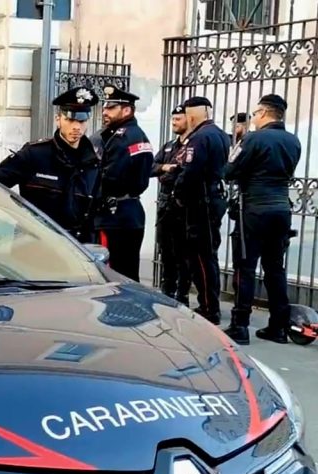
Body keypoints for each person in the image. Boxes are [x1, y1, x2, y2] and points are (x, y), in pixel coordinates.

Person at [222, 94, 302, 344]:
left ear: (265, 113)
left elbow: (229, 171)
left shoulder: (253, 139)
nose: (254, 118)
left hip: (255, 208)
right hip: (281, 208)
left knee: (245, 268)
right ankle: (278, 326)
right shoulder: (293, 141)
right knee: (275, 268)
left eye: (256, 114)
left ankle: (240, 325)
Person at [0, 86, 101, 242]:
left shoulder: (93, 163)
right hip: (36, 244)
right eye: (70, 119)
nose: (76, 127)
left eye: (82, 121)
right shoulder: (35, 154)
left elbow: (94, 213)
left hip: (76, 248)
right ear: (58, 119)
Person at [172, 96, 231, 325]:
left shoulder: (200, 137)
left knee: (201, 257)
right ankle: (209, 303)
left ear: (192, 115)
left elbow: (190, 172)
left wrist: (178, 194)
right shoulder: (219, 134)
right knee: (207, 255)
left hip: (201, 203)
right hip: (213, 199)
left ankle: (209, 307)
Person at [91, 84, 155, 281]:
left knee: (111, 273)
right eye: (105, 107)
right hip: (129, 212)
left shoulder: (122, 138)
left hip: (114, 215)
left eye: (111, 108)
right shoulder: (135, 134)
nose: (105, 112)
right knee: (128, 271)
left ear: (126, 110)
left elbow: (109, 177)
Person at [152, 104, 192, 305]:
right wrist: (164, 167)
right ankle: (167, 288)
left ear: (189, 119)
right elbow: (151, 166)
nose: (174, 123)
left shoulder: (193, 145)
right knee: (166, 250)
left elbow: (185, 173)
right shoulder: (169, 146)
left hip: (183, 205)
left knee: (183, 252)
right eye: (173, 119)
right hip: (165, 204)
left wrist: (168, 174)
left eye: (178, 119)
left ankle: (182, 293)